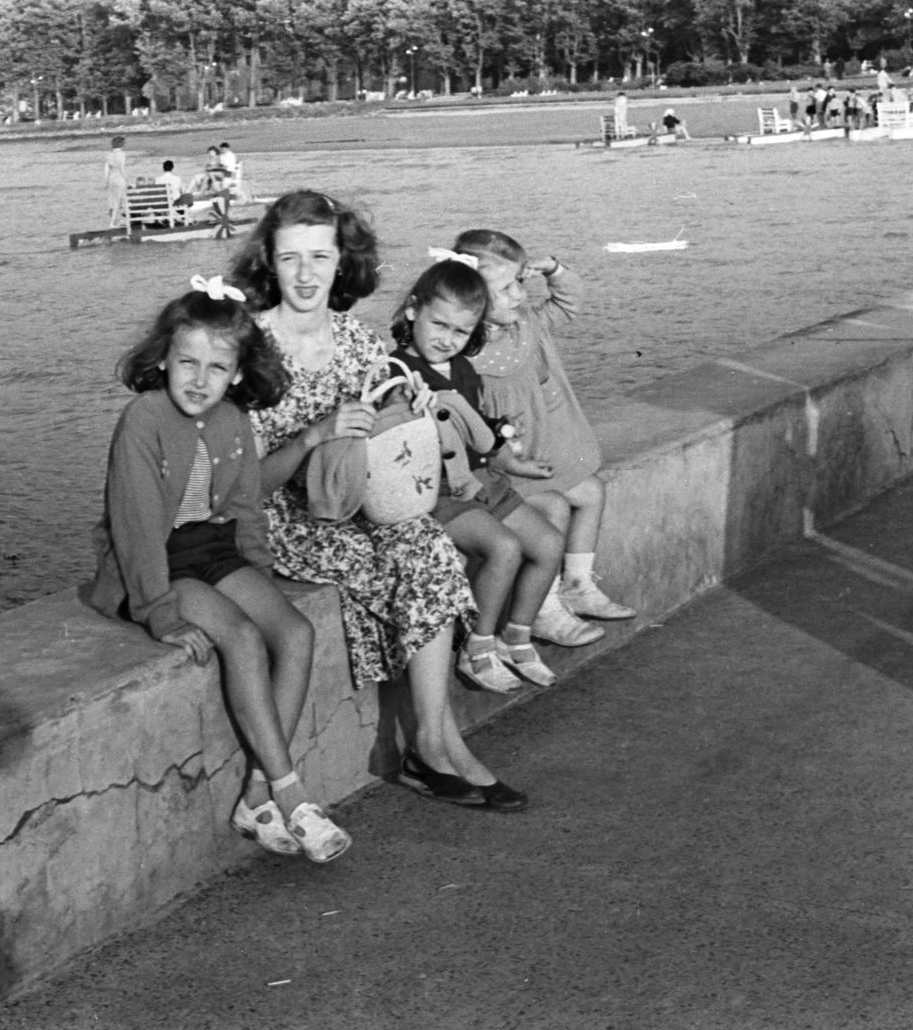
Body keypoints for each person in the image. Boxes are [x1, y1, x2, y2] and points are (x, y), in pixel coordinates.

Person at [229, 191, 526, 813]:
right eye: (290, 259)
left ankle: (434, 743)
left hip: (361, 505)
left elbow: (388, 447)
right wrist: (316, 434)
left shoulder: (359, 342)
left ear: (343, 261)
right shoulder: (248, 347)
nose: (307, 274)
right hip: (290, 520)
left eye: (320, 256)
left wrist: (405, 414)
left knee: (427, 547)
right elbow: (243, 487)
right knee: (419, 558)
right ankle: (438, 748)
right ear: (269, 263)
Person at [90, 274, 350, 863]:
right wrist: (158, 613)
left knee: (295, 632)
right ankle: (292, 794)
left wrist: (261, 576)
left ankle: (255, 795)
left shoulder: (233, 420)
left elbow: (243, 506)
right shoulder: (144, 419)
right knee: (239, 638)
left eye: (215, 368)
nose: (198, 380)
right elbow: (134, 527)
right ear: (164, 361)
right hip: (160, 562)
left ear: (236, 373)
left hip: (214, 550)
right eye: (186, 363)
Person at [387, 257, 565, 693]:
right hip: (440, 491)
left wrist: (507, 450)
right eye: (440, 325)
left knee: (548, 543)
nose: (448, 340)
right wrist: (405, 409)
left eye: (461, 332)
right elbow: (395, 444)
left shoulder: (463, 368)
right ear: (413, 311)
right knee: (503, 548)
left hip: (480, 480)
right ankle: (477, 648)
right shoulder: (397, 374)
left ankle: (516, 636)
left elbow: (479, 428)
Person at [453, 229, 636, 646]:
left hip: (547, 453)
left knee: (591, 492)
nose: (520, 294)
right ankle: (545, 609)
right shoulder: (468, 357)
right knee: (553, 508)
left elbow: (569, 301)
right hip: (512, 469)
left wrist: (553, 269)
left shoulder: (528, 325)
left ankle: (578, 584)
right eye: (507, 287)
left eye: (521, 281)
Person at [104, 136, 128, 225]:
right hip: (119, 177)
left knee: (112, 201)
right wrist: (128, 180)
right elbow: (122, 169)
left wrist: (106, 180)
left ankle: (112, 220)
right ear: (122, 144)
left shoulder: (108, 155)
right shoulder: (122, 154)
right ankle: (116, 221)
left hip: (111, 178)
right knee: (121, 200)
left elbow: (106, 169)